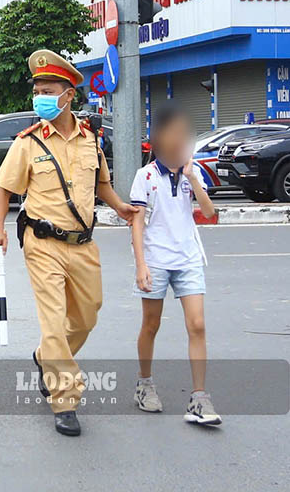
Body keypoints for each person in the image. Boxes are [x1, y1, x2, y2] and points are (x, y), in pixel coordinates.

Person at [0, 49, 138, 437]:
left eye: (48, 89)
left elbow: (101, 184)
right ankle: (65, 399)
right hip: (42, 243)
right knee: (53, 322)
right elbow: (2, 192)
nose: (40, 95)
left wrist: (121, 207)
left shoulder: (91, 140)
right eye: (37, 89)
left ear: (68, 95)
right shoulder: (28, 143)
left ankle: (44, 358)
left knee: (86, 317)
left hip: (83, 244)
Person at [130, 103, 220, 426]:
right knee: (150, 326)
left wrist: (193, 178)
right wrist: (141, 265)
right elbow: (137, 224)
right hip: (155, 260)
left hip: (188, 259)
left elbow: (209, 214)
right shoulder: (146, 177)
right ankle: (144, 383)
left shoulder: (189, 174)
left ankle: (199, 398)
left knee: (197, 325)